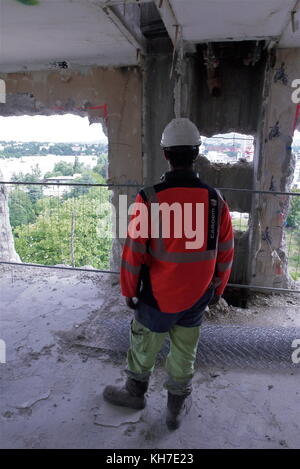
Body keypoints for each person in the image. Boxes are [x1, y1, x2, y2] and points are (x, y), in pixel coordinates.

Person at [103, 118, 234, 430]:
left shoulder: (149, 198)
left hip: (157, 296)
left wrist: (129, 290)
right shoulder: (216, 199)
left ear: (165, 154)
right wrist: (217, 290)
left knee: (144, 345)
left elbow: (134, 252)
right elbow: (226, 251)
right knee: (185, 350)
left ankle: (135, 393)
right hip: (197, 295)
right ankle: (175, 408)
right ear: (196, 153)